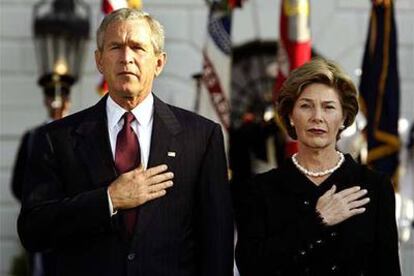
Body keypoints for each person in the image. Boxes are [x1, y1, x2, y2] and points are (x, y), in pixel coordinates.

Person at [18, 8, 234, 276]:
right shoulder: (56, 139)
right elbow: (33, 230)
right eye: (115, 47)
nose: (126, 58)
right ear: (99, 61)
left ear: (159, 63)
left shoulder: (201, 137)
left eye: (137, 47)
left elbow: (217, 242)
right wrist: (109, 200)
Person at [233, 58, 401, 275]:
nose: (317, 117)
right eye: (306, 106)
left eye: (328, 107)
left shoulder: (374, 187)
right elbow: (250, 267)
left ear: (343, 118)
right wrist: (317, 221)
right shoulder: (260, 189)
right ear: (291, 117)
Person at [11, 90, 71, 276]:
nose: (57, 102)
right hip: (44, 221)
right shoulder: (33, 136)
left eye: (62, 97)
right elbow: (18, 183)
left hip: (73, 220)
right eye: (52, 96)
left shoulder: (79, 131)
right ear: (46, 100)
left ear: (68, 101)